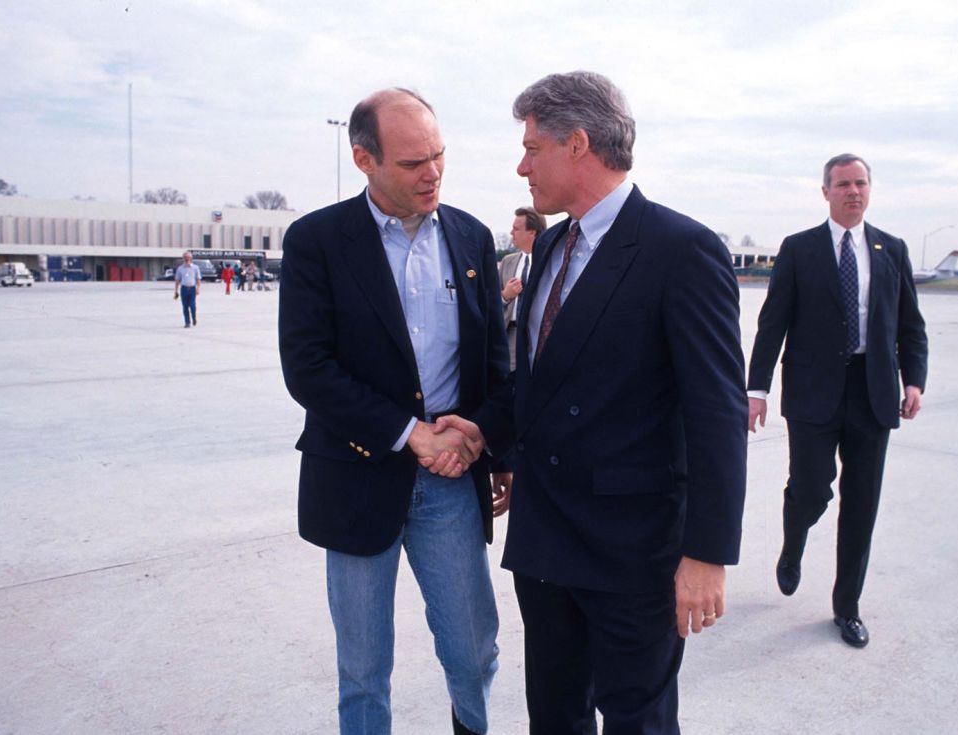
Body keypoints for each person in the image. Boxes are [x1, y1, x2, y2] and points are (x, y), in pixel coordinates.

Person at [472, 71, 746, 733]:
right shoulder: (553, 248)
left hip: (631, 551)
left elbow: (718, 415)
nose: (521, 164)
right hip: (545, 541)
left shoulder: (681, 250)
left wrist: (707, 553)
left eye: (532, 147)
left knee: (636, 719)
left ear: (578, 144)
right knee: (555, 716)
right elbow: (537, 384)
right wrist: (481, 433)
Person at [277, 88, 512, 735]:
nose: (432, 172)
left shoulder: (470, 237)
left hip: (448, 482)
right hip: (356, 477)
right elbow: (309, 368)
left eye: (438, 155)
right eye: (412, 163)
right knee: (362, 668)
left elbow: (496, 362)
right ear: (363, 159)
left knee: (474, 649)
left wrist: (492, 444)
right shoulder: (317, 242)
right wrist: (409, 433)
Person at [746, 153, 928, 648]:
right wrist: (756, 390)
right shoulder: (799, 248)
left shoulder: (891, 249)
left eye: (861, 183)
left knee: (862, 504)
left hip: (873, 393)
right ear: (825, 192)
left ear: (870, 190)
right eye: (843, 184)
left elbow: (910, 324)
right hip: (812, 393)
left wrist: (914, 380)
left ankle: (846, 607)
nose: (853, 191)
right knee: (811, 488)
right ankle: (793, 542)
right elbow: (772, 323)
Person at [498, 206, 546, 371]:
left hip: (538, 336)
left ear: (532, 232)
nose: (511, 233)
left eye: (516, 229)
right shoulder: (507, 261)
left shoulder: (550, 260)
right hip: (510, 334)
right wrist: (505, 295)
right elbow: (489, 300)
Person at [173, 251, 201, 327]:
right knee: (185, 306)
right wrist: (176, 291)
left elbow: (198, 279)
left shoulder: (195, 268)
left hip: (192, 289)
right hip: (184, 289)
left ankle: (194, 317)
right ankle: (187, 322)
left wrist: (198, 288)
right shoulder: (180, 268)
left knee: (192, 305)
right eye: (185, 257)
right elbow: (177, 280)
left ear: (191, 258)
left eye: (188, 257)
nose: (187, 259)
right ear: (183, 258)